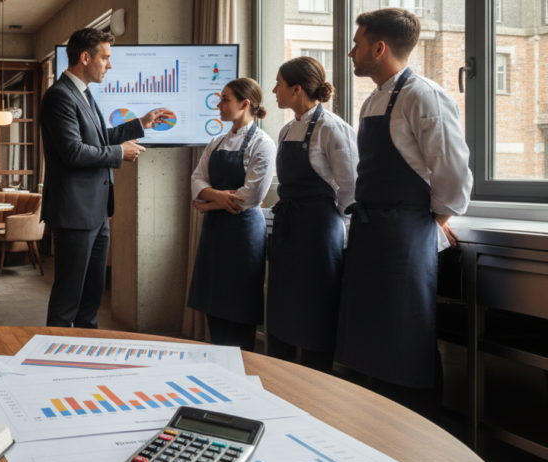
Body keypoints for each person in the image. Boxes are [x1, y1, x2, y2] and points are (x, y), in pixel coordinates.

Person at [337, 8, 472, 392]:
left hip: (403, 237)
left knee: (403, 338)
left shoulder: (423, 95)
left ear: (379, 48)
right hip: (369, 235)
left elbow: (452, 168)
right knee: (370, 341)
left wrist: (440, 216)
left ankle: (415, 435)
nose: (351, 53)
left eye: (356, 44)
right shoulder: (370, 103)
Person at [40, 28, 174, 329]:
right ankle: (51, 365)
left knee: (91, 301)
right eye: (106, 57)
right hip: (74, 213)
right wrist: (118, 153)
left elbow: (99, 138)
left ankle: (86, 362)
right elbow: (73, 152)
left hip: (97, 213)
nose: (109, 65)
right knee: (67, 301)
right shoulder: (59, 96)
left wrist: (140, 123)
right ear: (85, 58)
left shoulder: (83, 94)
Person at [267, 57, 358, 373]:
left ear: (296, 88)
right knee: (282, 310)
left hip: (319, 234)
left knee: (314, 315)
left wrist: (338, 231)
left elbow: (351, 189)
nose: (274, 90)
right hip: (289, 230)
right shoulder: (286, 129)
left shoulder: (332, 128)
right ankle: (280, 379)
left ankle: (315, 386)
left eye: (278, 83)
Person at [188, 78, 276, 352]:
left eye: (225, 99)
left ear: (244, 104)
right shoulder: (216, 141)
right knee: (214, 304)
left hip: (243, 236)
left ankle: (242, 373)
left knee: (238, 309)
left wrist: (209, 203)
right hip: (215, 233)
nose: (219, 105)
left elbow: (251, 196)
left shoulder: (262, 143)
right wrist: (218, 196)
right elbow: (196, 181)